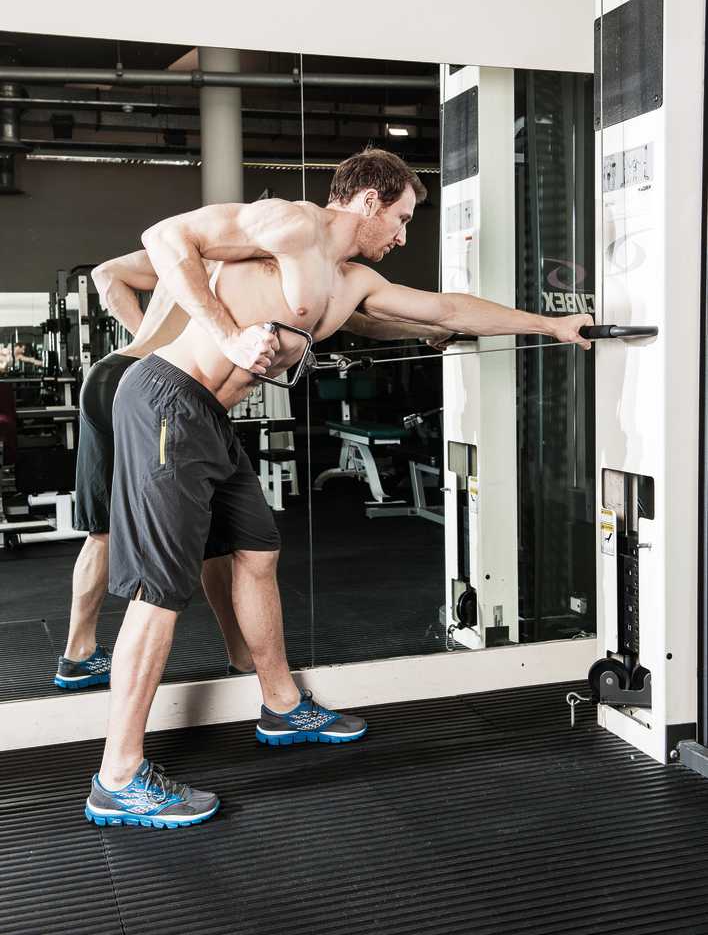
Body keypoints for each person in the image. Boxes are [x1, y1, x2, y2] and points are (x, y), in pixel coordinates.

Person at [85, 148, 592, 829]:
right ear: (368, 200)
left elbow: (445, 308)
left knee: (257, 551)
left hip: (206, 417)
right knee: (160, 591)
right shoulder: (291, 224)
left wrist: (551, 325)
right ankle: (117, 776)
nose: (403, 236)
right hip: (166, 400)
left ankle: (282, 705)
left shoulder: (349, 282)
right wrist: (229, 337)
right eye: (403, 219)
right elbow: (164, 238)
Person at [57, 255, 450, 689]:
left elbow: (105, 275)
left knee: (106, 531)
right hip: (156, 385)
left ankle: (79, 652)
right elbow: (361, 321)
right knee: (206, 543)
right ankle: (236, 658)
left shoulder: (201, 261)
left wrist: (149, 343)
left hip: (112, 374)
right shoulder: (231, 261)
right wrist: (158, 352)